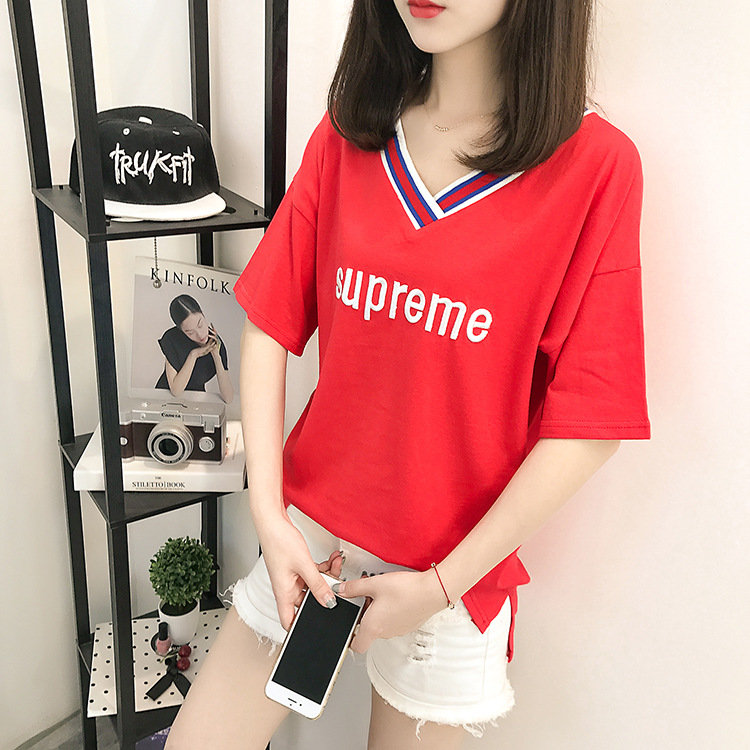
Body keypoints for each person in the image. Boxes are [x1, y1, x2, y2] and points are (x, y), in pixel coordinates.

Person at [166, 0, 650, 747]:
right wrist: (269, 516)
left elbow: (590, 422)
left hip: (453, 576)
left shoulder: (594, 166)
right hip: (310, 544)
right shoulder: (351, 132)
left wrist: (441, 586)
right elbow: (268, 320)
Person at [155, 294, 234, 404]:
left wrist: (216, 355)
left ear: (203, 314)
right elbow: (176, 391)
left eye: (200, 324)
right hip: (164, 398)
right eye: (190, 333)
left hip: (195, 400)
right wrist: (194, 354)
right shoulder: (172, 338)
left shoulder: (215, 341)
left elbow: (228, 398)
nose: (200, 335)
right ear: (182, 331)